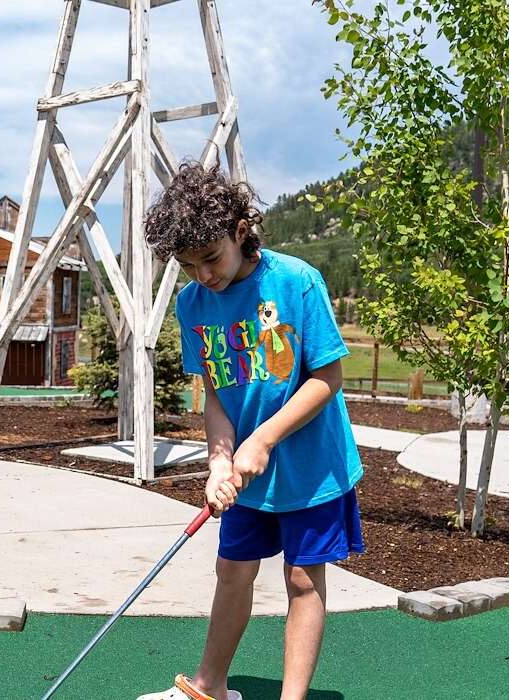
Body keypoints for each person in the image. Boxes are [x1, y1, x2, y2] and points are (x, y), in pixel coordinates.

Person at [137, 161, 364, 700]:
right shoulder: (192, 303)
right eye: (188, 265)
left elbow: (326, 377)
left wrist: (261, 439)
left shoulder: (295, 281)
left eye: (211, 258)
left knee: (303, 581)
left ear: (241, 231)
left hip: (312, 469)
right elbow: (216, 391)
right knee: (232, 571)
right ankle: (208, 687)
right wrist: (219, 458)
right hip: (245, 475)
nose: (204, 276)